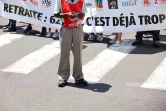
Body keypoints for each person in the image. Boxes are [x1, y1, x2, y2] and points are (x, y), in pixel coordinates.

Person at [54, 0, 88, 87]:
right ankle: (63, 76)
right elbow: (56, 13)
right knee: (64, 52)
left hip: (78, 28)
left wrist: (81, 15)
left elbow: (84, 13)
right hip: (65, 28)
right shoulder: (60, 1)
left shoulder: (81, 0)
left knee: (78, 53)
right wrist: (67, 15)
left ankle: (78, 77)